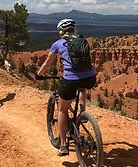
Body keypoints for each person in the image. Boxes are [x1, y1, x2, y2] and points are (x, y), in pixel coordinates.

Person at [36, 19, 96, 156]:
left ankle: (63, 145)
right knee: (82, 88)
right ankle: (82, 114)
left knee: (62, 110)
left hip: (71, 80)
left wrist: (39, 74)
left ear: (62, 31)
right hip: (90, 78)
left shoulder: (58, 44)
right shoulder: (82, 41)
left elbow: (47, 64)